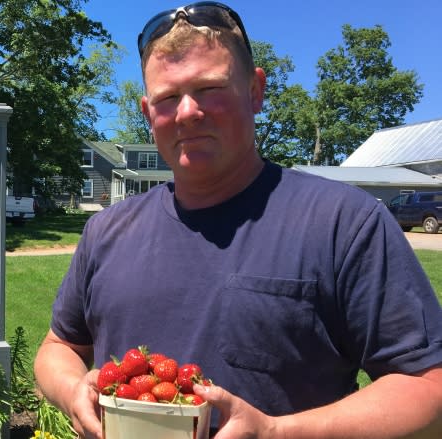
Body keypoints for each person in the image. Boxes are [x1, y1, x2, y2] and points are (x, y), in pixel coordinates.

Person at [33, 2, 442, 438]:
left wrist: (275, 432)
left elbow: (428, 390)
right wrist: (73, 389)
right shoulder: (108, 229)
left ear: (255, 91)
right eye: (168, 97)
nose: (188, 111)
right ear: (149, 113)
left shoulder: (344, 223)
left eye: (209, 89)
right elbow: (58, 347)